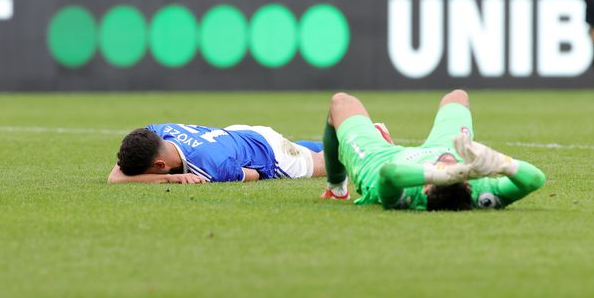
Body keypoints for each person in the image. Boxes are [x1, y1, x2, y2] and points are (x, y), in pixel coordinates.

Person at [320, 90, 546, 211]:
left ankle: (336, 188)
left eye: (446, 169)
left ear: (426, 188)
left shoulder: (405, 197)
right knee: (457, 97)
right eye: (455, 169)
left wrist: (440, 173)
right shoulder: (481, 191)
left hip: (379, 161)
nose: (448, 163)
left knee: (341, 102)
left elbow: (390, 174)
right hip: (441, 146)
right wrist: (500, 162)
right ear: (467, 182)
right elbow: (535, 179)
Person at [108, 123, 326, 184]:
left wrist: (169, 178)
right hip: (240, 133)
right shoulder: (158, 130)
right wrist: (171, 177)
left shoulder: (211, 168)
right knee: (307, 148)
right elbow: (115, 177)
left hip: (273, 155)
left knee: (328, 163)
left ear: (159, 165)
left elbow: (255, 175)